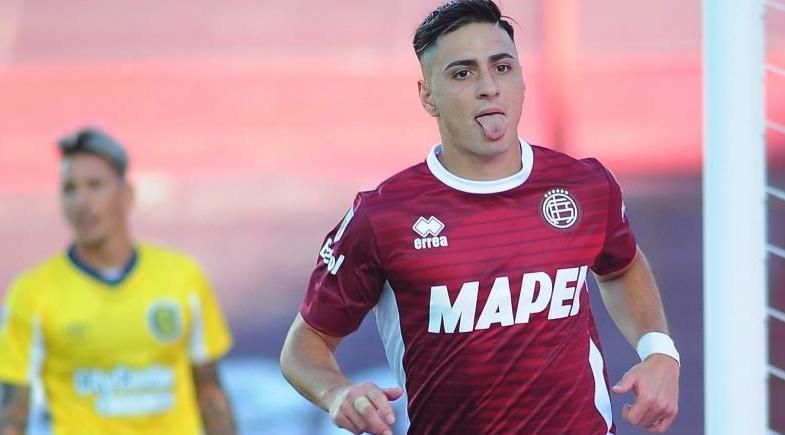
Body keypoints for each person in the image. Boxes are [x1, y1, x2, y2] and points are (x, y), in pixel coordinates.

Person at [280, 0, 680, 434]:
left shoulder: (585, 185)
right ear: (427, 96)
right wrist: (336, 392)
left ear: (521, 79)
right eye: (463, 73)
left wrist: (658, 350)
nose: (489, 87)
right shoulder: (383, 216)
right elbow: (306, 343)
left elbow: (621, 266)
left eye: (502, 68)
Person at [0, 128, 237, 435]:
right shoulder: (32, 293)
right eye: (70, 189)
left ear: (127, 194)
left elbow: (209, 391)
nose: (82, 201)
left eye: (95, 185)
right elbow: (12, 412)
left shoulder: (183, 278)